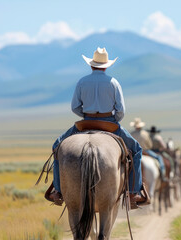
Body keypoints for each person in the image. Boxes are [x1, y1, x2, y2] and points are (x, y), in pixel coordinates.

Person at [46, 47, 148, 208]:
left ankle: (58, 190)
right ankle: (134, 192)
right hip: (109, 122)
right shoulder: (113, 82)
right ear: (106, 66)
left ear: (91, 65)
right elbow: (121, 110)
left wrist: (87, 115)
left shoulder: (82, 81)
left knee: (57, 146)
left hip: (85, 121)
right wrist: (113, 121)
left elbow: (75, 107)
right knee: (136, 150)